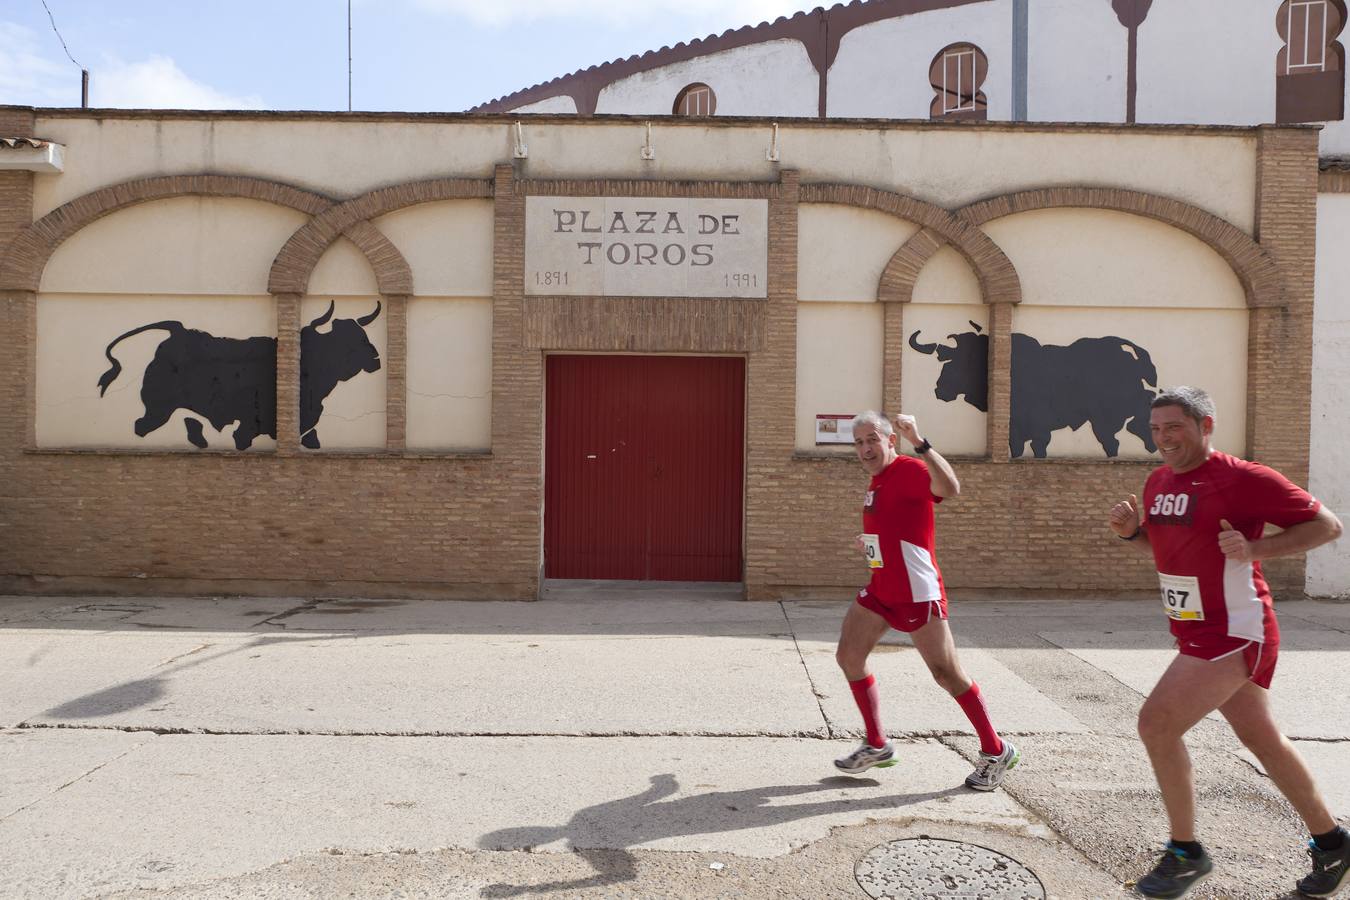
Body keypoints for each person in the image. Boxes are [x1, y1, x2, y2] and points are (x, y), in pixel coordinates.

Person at [1108, 386, 1347, 899]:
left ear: (1206, 425)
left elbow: (1327, 526)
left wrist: (1256, 546)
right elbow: (1171, 552)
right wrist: (1134, 534)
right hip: (1195, 628)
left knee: (1156, 723)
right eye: (1156, 429)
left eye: (1175, 427)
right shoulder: (1156, 482)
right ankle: (1333, 842)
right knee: (1262, 739)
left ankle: (1184, 853)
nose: (1164, 438)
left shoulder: (1241, 478)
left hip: (1236, 628)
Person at [833, 410, 1020, 792]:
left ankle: (996, 750)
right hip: (882, 590)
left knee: (947, 674)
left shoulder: (909, 468)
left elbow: (950, 489)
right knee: (848, 656)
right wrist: (869, 544)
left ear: (890, 441)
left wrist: (921, 441)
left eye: (873, 440)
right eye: (859, 442)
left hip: (918, 593)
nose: (866, 448)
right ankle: (877, 744)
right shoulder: (878, 481)